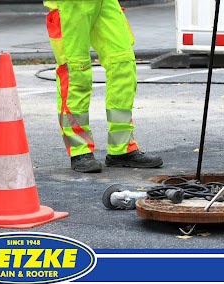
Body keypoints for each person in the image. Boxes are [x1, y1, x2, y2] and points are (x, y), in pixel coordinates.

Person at [44, 0, 163, 173]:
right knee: (76, 72)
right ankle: (80, 150)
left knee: (123, 64)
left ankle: (121, 148)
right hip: (70, 5)